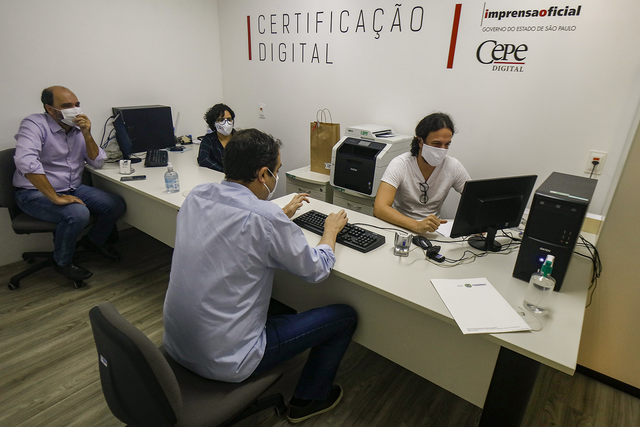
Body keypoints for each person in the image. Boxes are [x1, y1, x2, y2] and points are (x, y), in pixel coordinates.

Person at [163, 128, 357, 423]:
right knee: (344, 317)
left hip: (177, 344)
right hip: (228, 360)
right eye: (277, 171)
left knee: (279, 300)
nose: (277, 176)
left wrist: (279, 216)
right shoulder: (266, 218)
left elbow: (229, 234)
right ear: (264, 174)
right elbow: (316, 269)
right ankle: (309, 400)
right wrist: (330, 231)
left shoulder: (197, 197)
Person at [13, 86, 126, 281]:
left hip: (72, 188)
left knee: (115, 204)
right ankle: (62, 261)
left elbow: (98, 162)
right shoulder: (34, 124)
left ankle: (93, 242)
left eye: (77, 104)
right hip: (33, 193)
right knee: (77, 213)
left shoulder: (77, 129)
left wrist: (87, 133)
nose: (74, 110)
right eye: (66, 106)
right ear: (50, 109)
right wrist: (55, 198)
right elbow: (26, 162)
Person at [373, 112, 470, 234]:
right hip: (400, 227)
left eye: (447, 144)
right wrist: (416, 225)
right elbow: (380, 208)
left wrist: (476, 225)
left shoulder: (453, 166)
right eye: (436, 144)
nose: (442, 149)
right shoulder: (401, 164)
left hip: (433, 230)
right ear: (420, 141)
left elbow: (477, 198)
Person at [197, 103, 235, 171]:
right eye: (221, 120)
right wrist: (224, 171)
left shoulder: (241, 138)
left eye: (229, 119)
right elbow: (203, 160)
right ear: (213, 123)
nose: (226, 123)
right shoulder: (208, 140)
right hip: (220, 175)